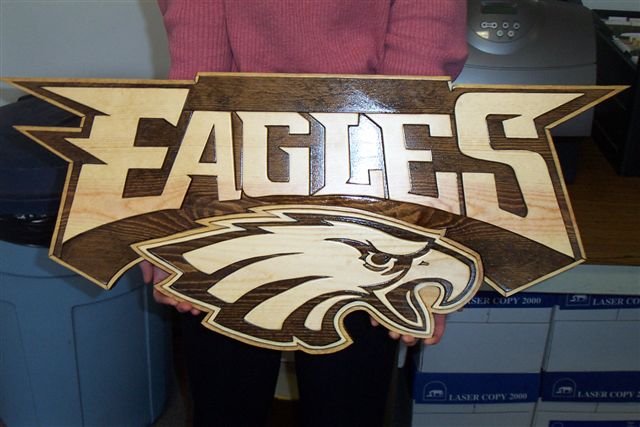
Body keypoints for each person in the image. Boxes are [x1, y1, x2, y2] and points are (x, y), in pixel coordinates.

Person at [143, 1, 468, 426]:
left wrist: (417, 220)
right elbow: (198, 59)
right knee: (225, 398)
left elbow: (418, 71)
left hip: (370, 177)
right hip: (232, 167)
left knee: (347, 401)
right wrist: (179, 207)